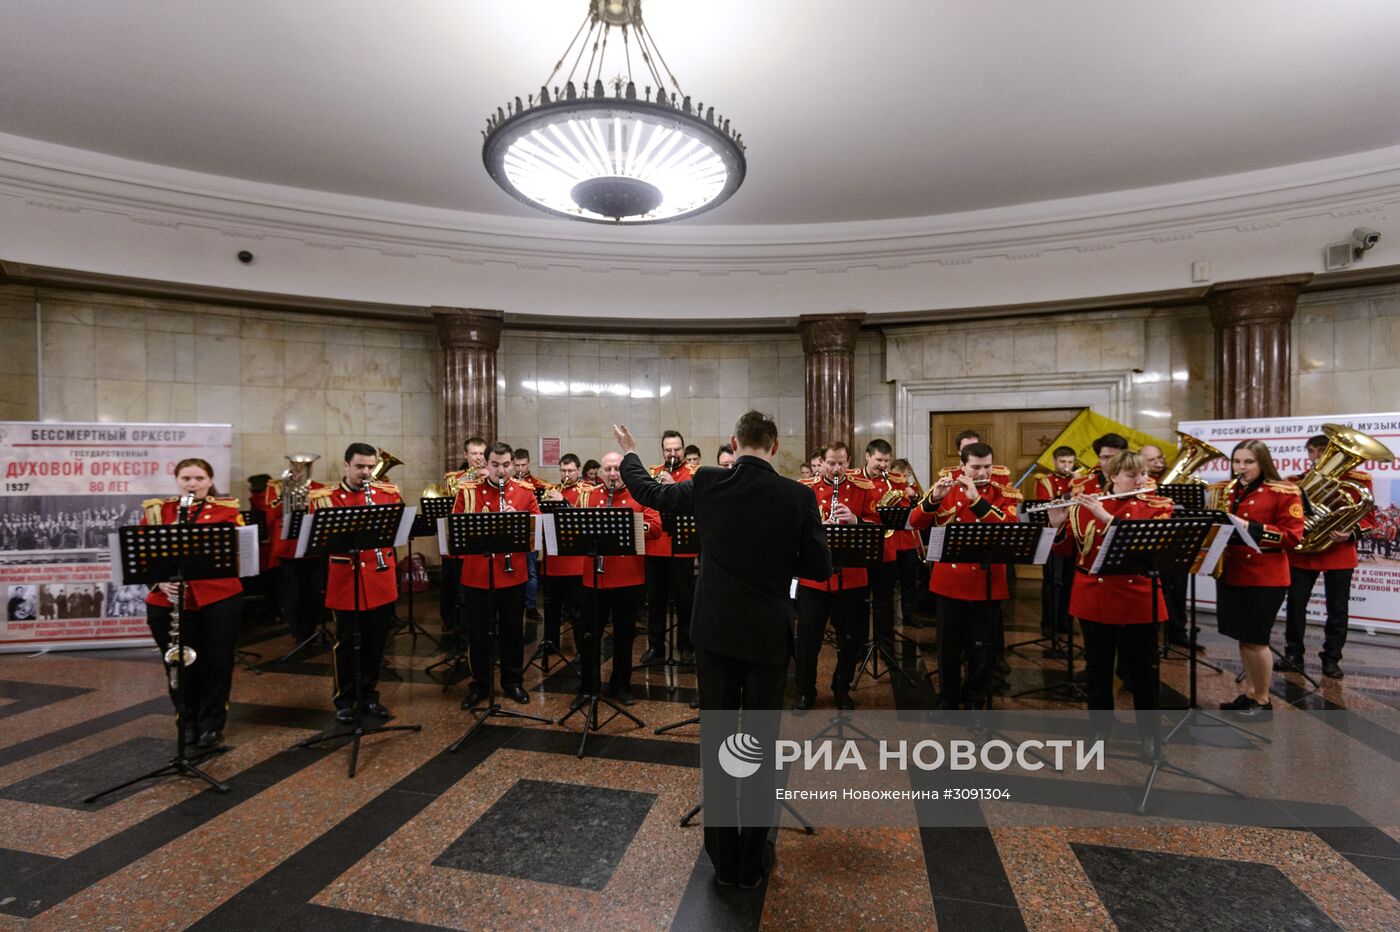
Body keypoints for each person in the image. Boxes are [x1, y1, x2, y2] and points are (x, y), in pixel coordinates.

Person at [615, 411, 831, 890]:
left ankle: (722, 857)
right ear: (775, 446)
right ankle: (752, 861)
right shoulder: (799, 495)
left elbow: (652, 494)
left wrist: (631, 453)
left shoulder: (709, 481)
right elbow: (818, 565)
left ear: (734, 443)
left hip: (713, 633)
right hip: (766, 636)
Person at [1048, 451, 1171, 754]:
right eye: (1132, 475)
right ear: (1113, 477)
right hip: (1095, 596)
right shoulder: (1086, 504)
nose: (1141, 480)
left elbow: (1151, 548)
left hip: (1139, 597)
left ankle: (1150, 734)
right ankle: (1100, 728)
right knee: (1098, 666)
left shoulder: (1158, 506)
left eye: (1142, 473)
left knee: (1144, 668)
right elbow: (1068, 552)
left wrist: (1107, 518)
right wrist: (1056, 524)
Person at [141, 458, 244, 748]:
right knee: (177, 665)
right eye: (186, 478)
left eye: (199, 478)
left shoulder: (226, 512)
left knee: (216, 664)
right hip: (168, 601)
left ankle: (211, 724)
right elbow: (141, 557)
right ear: (177, 480)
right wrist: (159, 581)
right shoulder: (158, 512)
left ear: (210, 481)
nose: (193, 484)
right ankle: (185, 722)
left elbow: (238, 555)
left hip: (218, 597)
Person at [909, 442, 1021, 710]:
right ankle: (948, 698)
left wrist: (977, 501)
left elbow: (1010, 529)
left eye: (987, 467)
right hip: (950, 582)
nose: (983, 473)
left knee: (981, 647)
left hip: (987, 582)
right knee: (947, 646)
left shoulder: (1005, 494)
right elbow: (915, 522)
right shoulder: (947, 489)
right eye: (976, 467)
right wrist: (934, 498)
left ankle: (975, 698)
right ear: (962, 467)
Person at [310, 444, 403, 723]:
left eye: (369, 467)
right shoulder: (326, 499)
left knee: (376, 642)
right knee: (347, 642)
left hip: (380, 577)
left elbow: (397, 531)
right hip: (345, 580)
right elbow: (316, 541)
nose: (365, 472)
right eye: (360, 466)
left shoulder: (387, 494)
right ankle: (345, 699)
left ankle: (369, 695)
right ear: (346, 465)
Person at [1210, 440, 1305, 715]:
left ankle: (1262, 700)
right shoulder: (1229, 489)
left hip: (1265, 576)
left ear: (1263, 462)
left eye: (1248, 462)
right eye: (1237, 461)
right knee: (1244, 638)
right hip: (1232, 572)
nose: (1241, 467)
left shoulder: (1283, 492)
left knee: (1257, 639)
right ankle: (1250, 692)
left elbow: (1292, 537)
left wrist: (1249, 526)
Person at [455, 442, 542, 708]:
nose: (501, 471)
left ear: (513, 465)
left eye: (506, 465)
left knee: (512, 631)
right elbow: (456, 526)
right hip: (477, 575)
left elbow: (537, 530)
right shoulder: (468, 491)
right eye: (496, 465)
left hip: (513, 575)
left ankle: (512, 682)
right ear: (486, 464)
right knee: (479, 634)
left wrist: (520, 520)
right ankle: (480, 685)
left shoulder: (525, 492)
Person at [1283, 434, 1375, 679]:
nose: (1316, 456)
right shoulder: (1296, 482)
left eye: (1322, 450)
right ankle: (1293, 653)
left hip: (1339, 552)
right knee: (1295, 604)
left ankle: (1332, 658)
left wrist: (1350, 532)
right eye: (1311, 451)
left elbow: (1369, 519)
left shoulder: (1359, 481)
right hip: (1305, 551)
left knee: (1337, 609)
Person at [795, 441, 878, 710]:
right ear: (822, 461)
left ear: (849, 460)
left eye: (842, 463)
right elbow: (795, 529)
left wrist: (856, 521)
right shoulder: (806, 489)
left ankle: (842, 688)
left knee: (850, 638)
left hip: (852, 576)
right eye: (831, 463)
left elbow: (878, 527)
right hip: (815, 578)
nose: (836, 469)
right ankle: (806, 691)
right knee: (808, 639)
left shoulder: (863, 489)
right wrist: (820, 527)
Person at [577, 452, 660, 704]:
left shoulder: (640, 494)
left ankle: (621, 685)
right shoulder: (588, 495)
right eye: (608, 469)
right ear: (599, 472)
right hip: (594, 578)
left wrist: (628, 525)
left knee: (625, 636)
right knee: (589, 635)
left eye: (618, 469)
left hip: (628, 578)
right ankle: (587, 687)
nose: (613, 474)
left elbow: (655, 526)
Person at [640, 429, 697, 664]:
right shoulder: (654, 473)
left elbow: (697, 504)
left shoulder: (694, 474)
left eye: (676, 449)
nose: (672, 453)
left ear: (683, 450)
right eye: (668, 449)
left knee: (685, 600)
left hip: (682, 546)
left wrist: (674, 487)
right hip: (655, 546)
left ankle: (686, 646)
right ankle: (656, 647)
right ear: (662, 451)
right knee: (655, 600)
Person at [862, 439, 920, 659]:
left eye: (886, 460)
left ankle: (885, 647)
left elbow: (905, 511)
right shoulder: (855, 478)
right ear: (867, 456)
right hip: (862, 546)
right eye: (879, 460)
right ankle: (858, 646)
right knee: (858, 601)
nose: (883, 465)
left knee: (884, 601)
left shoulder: (895, 481)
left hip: (887, 548)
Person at [540, 453, 590, 656]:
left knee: (578, 610)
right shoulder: (551, 490)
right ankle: (551, 644)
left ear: (578, 470)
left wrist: (562, 502)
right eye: (563, 470)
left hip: (575, 562)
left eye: (570, 471)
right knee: (551, 607)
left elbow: (584, 520)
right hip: (552, 559)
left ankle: (581, 649)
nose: (566, 474)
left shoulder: (586, 491)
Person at [442, 437, 488, 647]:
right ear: (465, 455)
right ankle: (457, 626)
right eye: (474, 453)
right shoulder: (454, 478)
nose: (478, 458)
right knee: (457, 588)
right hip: (461, 541)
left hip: (483, 543)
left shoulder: (491, 475)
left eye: (481, 454)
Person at [1036, 445, 1079, 644]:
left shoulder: (1080, 480)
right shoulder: (1045, 481)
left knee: (1070, 581)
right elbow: (1048, 504)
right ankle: (1049, 624)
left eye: (1070, 462)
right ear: (1055, 461)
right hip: (1053, 536)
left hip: (1073, 537)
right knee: (1053, 582)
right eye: (1063, 462)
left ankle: (1065, 621)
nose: (1067, 466)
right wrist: (1073, 492)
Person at [512, 447, 548, 624]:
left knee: (532, 571)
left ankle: (531, 606)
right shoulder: (508, 484)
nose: (519, 469)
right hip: (512, 536)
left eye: (523, 465)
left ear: (528, 463)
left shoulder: (537, 485)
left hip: (531, 533)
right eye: (516, 465)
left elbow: (539, 513)